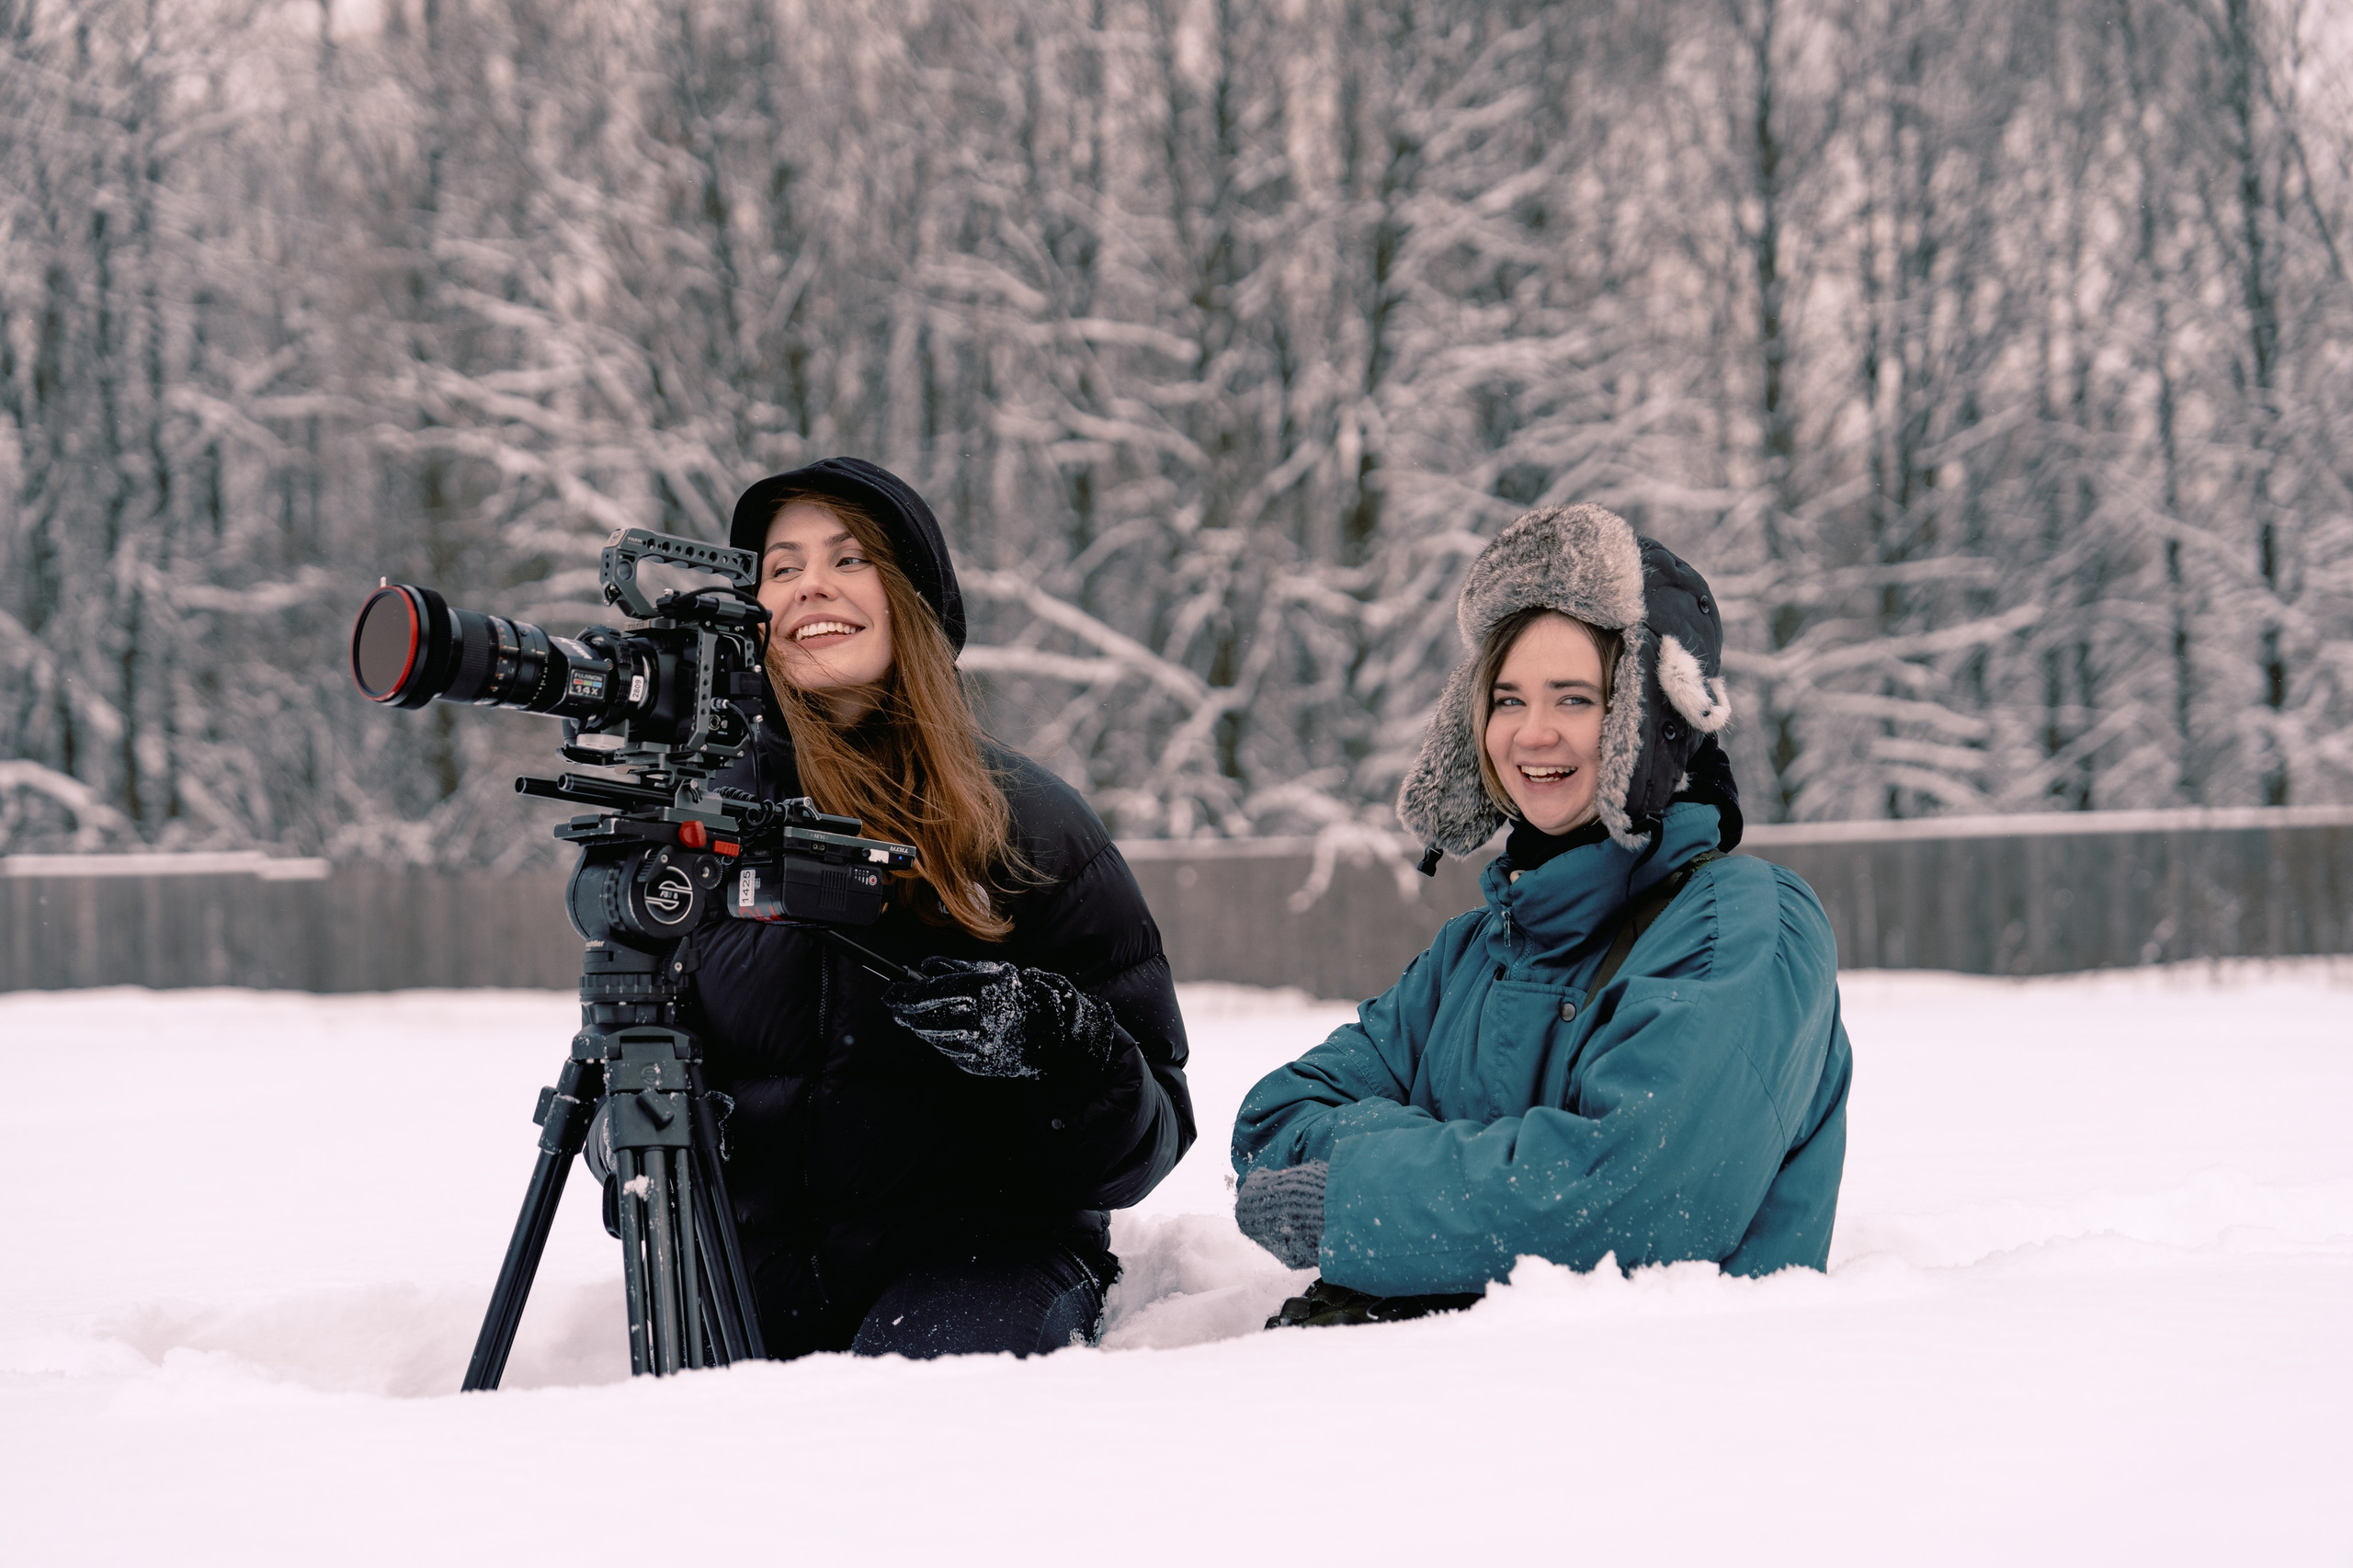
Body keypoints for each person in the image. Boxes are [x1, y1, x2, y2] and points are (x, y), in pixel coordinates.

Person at [1230, 503, 1850, 1322]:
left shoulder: (1743, 926)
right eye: (1508, 699)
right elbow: (1274, 1121)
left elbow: (1629, 1201)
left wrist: (1353, 1189)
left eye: (1575, 700)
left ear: (1648, 720)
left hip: (1663, 1393)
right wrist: (1492, 1181)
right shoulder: (1473, 954)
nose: (1532, 735)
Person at [687, 457, 1194, 1359]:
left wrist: (1061, 1044)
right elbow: (625, 1103)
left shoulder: (1032, 824)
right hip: (751, 1278)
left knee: (909, 1410)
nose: (810, 585)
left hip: (985, 1264)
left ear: (912, 597)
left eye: (848, 558)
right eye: (781, 566)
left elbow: (1144, 1149)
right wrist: (648, 1133)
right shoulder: (699, 828)